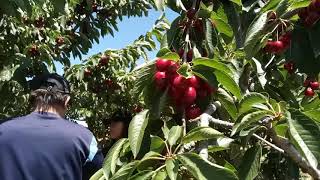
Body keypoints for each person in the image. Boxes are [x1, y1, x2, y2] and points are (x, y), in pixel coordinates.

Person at [0, 73, 103, 180]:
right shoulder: (85, 138)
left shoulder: (3, 129)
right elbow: (100, 174)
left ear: (33, 99)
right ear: (66, 101)